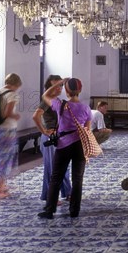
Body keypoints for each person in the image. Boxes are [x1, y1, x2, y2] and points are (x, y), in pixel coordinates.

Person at [38, 77, 91, 219]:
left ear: (66, 91)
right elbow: (87, 130)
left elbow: (45, 96)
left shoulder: (60, 104)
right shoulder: (86, 108)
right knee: (78, 179)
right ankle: (74, 211)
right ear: (80, 90)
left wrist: (59, 83)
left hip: (63, 145)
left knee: (56, 178)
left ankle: (49, 211)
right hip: (79, 146)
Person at [31, 74, 71, 204]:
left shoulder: (57, 100)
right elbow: (35, 116)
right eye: (55, 85)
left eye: (60, 85)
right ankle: (50, 197)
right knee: (52, 168)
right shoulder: (46, 101)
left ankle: (68, 193)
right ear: (49, 87)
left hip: (59, 137)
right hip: (50, 137)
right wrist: (43, 131)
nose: (59, 88)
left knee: (63, 166)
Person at [0, 73, 22, 199]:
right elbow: (8, 113)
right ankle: (0, 189)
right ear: (16, 84)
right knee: (5, 158)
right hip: (6, 131)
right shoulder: (12, 94)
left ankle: (0, 184)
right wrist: (16, 116)